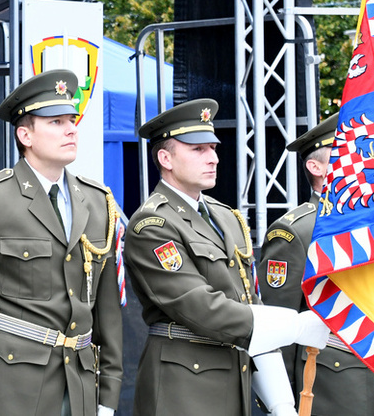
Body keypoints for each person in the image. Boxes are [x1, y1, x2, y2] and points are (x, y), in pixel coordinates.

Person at [0, 69, 123, 416]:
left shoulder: (97, 202)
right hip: (8, 388)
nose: (71, 128)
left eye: (72, 119)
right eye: (57, 122)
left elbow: (106, 309)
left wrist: (107, 395)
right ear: (25, 135)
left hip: (78, 388)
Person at [124, 99, 328, 416]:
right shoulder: (152, 224)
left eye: (213, 148)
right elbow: (199, 307)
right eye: (198, 150)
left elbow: (249, 301)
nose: (214, 158)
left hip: (234, 378)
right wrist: (295, 325)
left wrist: (280, 402)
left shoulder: (225, 217)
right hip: (183, 387)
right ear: (165, 158)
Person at [257, 114, 374, 416]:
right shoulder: (296, 231)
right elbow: (280, 326)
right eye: (343, 152)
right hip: (329, 382)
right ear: (315, 167)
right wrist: (281, 401)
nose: (359, 159)